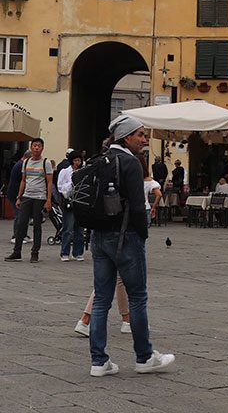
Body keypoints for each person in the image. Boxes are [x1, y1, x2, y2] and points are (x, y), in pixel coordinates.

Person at [86, 115, 175, 377]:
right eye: (140, 135)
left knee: (101, 300)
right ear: (126, 137)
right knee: (137, 297)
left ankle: (98, 361)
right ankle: (144, 357)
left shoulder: (97, 160)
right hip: (126, 237)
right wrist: (143, 234)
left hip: (98, 237)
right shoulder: (130, 163)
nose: (145, 139)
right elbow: (138, 206)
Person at [5, 138, 54, 263]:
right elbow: (23, 180)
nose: (36, 148)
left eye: (39, 146)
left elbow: (49, 182)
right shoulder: (26, 162)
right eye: (34, 146)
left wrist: (48, 200)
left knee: (37, 225)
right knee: (21, 224)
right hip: (27, 196)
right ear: (31, 148)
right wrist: (19, 197)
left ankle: (35, 253)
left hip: (39, 197)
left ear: (42, 148)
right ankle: (17, 251)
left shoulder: (46, 163)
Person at [57, 152, 82, 260]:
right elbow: (60, 186)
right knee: (68, 228)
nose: (77, 163)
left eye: (79, 160)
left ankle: (78, 252)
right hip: (69, 201)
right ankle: (65, 252)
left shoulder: (82, 171)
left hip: (80, 201)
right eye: (75, 160)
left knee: (80, 229)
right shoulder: (65, 172)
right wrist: (71, 184)